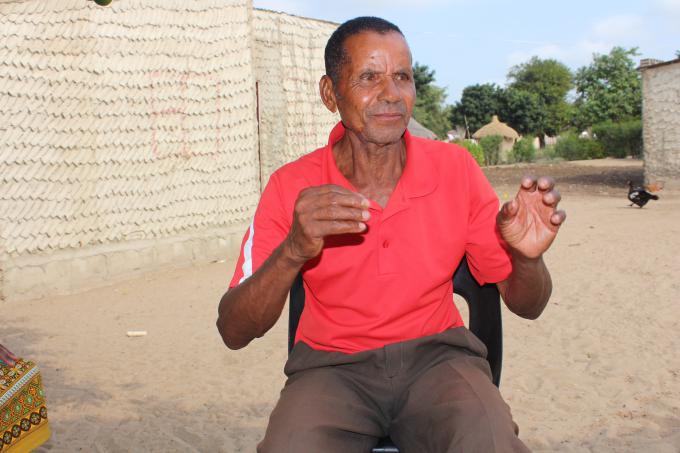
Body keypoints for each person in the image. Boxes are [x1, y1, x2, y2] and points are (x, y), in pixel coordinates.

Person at [217, 16, 566, 452]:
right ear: (330, 94)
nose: (391, 94)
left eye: (403, 76)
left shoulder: (455, 170)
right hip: (330, 369)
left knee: (490, 440)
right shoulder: (291, 186)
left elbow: (528, 305)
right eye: (369, 77)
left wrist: (527, 258)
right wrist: (292, 251)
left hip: (439, 360)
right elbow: (233, 330)